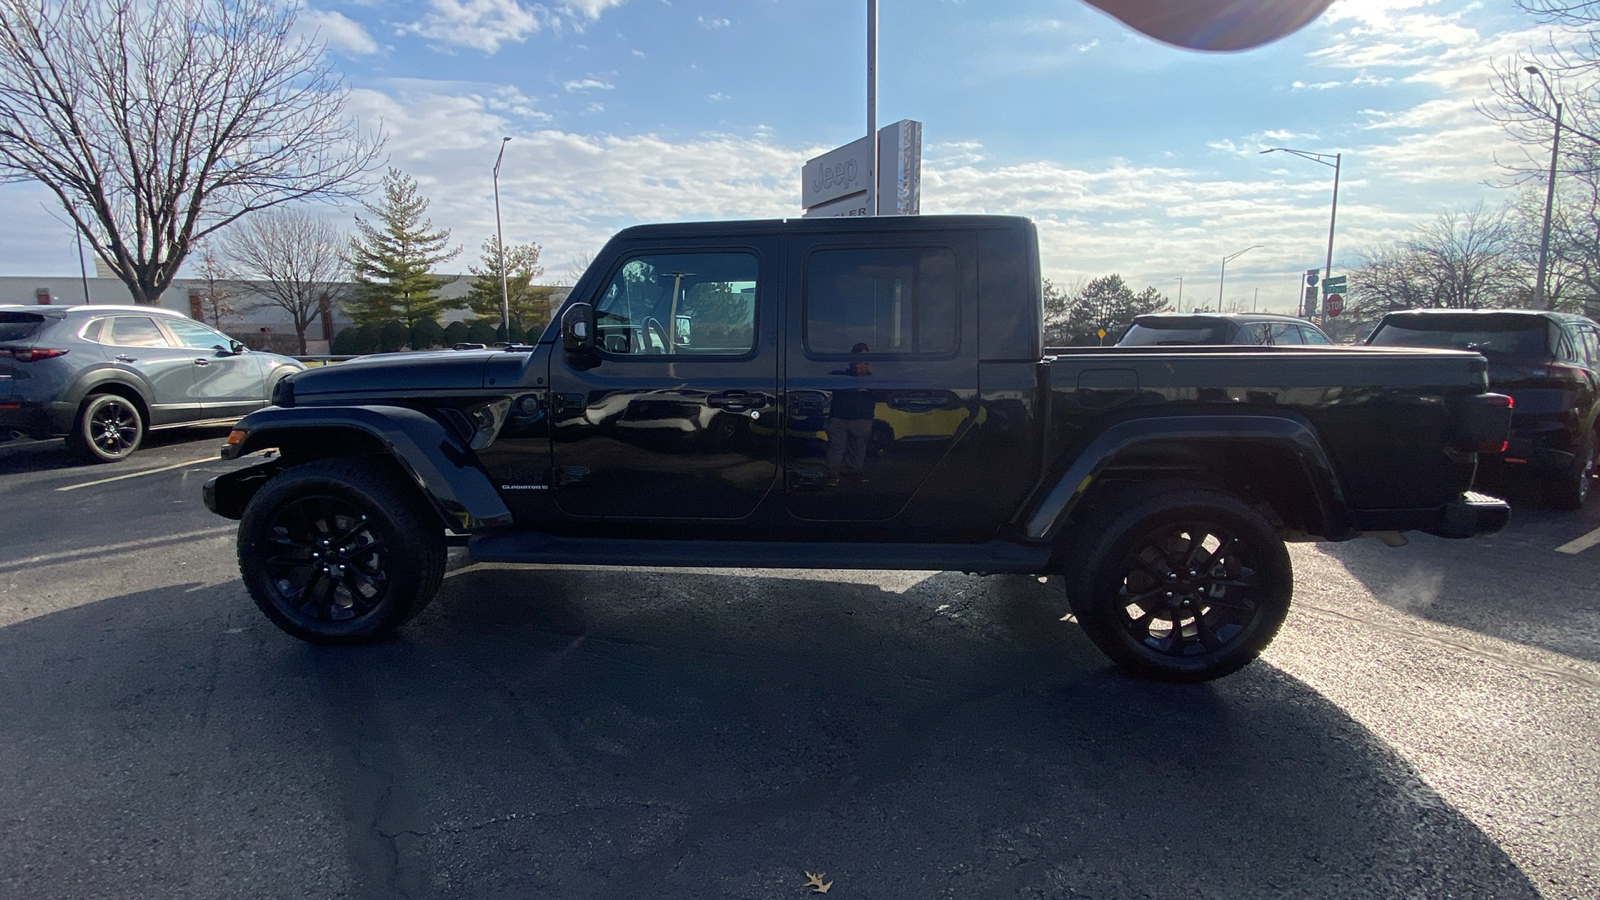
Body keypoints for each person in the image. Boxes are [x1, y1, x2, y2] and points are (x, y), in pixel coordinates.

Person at [825, 343, 875, 480]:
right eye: (857, 361)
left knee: (858, 448)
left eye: (863, 361)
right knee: (835, 449)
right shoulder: (839, 377)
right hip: (838, 420)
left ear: (869, 362)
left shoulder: (875, 382)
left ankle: (854, 477)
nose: (859, 366)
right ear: (851, 361)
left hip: (862, 421)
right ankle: (832, 476)